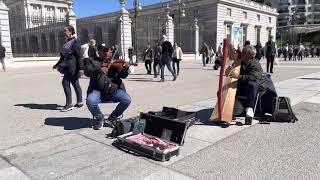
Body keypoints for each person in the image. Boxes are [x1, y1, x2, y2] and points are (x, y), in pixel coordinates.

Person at [86, 45, 131, 130]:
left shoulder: (115, 62)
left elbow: (123, 76)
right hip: (97, 90)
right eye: (104, 51)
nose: (107, 53)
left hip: (113, 89)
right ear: (99, 52)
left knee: (127, 99)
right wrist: (99, 69)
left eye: (109, 51)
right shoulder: (93, 61)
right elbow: (87, 71)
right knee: (90, 101)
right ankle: (100, 118)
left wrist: (125, 69)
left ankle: (113, 117)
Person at [226, 45, 263, 125]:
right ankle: (225, 111)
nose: (241, 53)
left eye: (243, 52)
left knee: (251, 84)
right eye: (242, 52)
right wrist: (228, 70)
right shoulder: (238, 62)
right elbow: (227, 74)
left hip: (252, 89)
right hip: (241, 85)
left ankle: (249, 109)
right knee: (223, 89)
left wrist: (238, 76)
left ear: (250, 55)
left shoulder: (256, 65)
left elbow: (251, 77)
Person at [53, 25, 84, 112]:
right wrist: (57, 64)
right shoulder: (68, 42)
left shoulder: (75, 42)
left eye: (65, 31)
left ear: (70, 32)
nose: (64, 32)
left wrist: (81, 68)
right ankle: (80, 102)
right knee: (75, 83)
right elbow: (63, 56)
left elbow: (79, 56)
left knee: (65, 83)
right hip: (68, 66)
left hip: (72, 67)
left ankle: (69, 104)